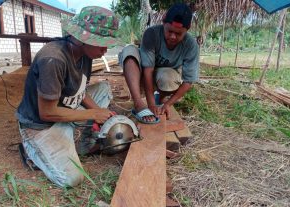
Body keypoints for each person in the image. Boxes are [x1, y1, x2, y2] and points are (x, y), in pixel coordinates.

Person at [16, 6, 119, 187]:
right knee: (71, 179)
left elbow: (80, 90)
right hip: (41, 125)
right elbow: (46, 113)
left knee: (103, 88)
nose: (106, 49)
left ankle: (84, 142)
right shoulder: (53, 59)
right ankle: (30, 149)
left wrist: (100, 111)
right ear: (82, 38)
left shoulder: (85, 53)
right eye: (101, 42)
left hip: (63, 109)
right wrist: (93, 114)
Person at [119, 3, 199, 124]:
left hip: (162, 78)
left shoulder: (191, 45)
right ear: (163, 21)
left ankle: (160, 99)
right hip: (141, 75)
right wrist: (150, 105)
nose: (172, 37)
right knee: (129, 51)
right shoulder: (151, 34)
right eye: (169, 31)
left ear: (187, 29)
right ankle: (138, 103)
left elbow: (188, 81)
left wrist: (168, 104)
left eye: (178, 34)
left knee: (168, 77)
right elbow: (148, 70)